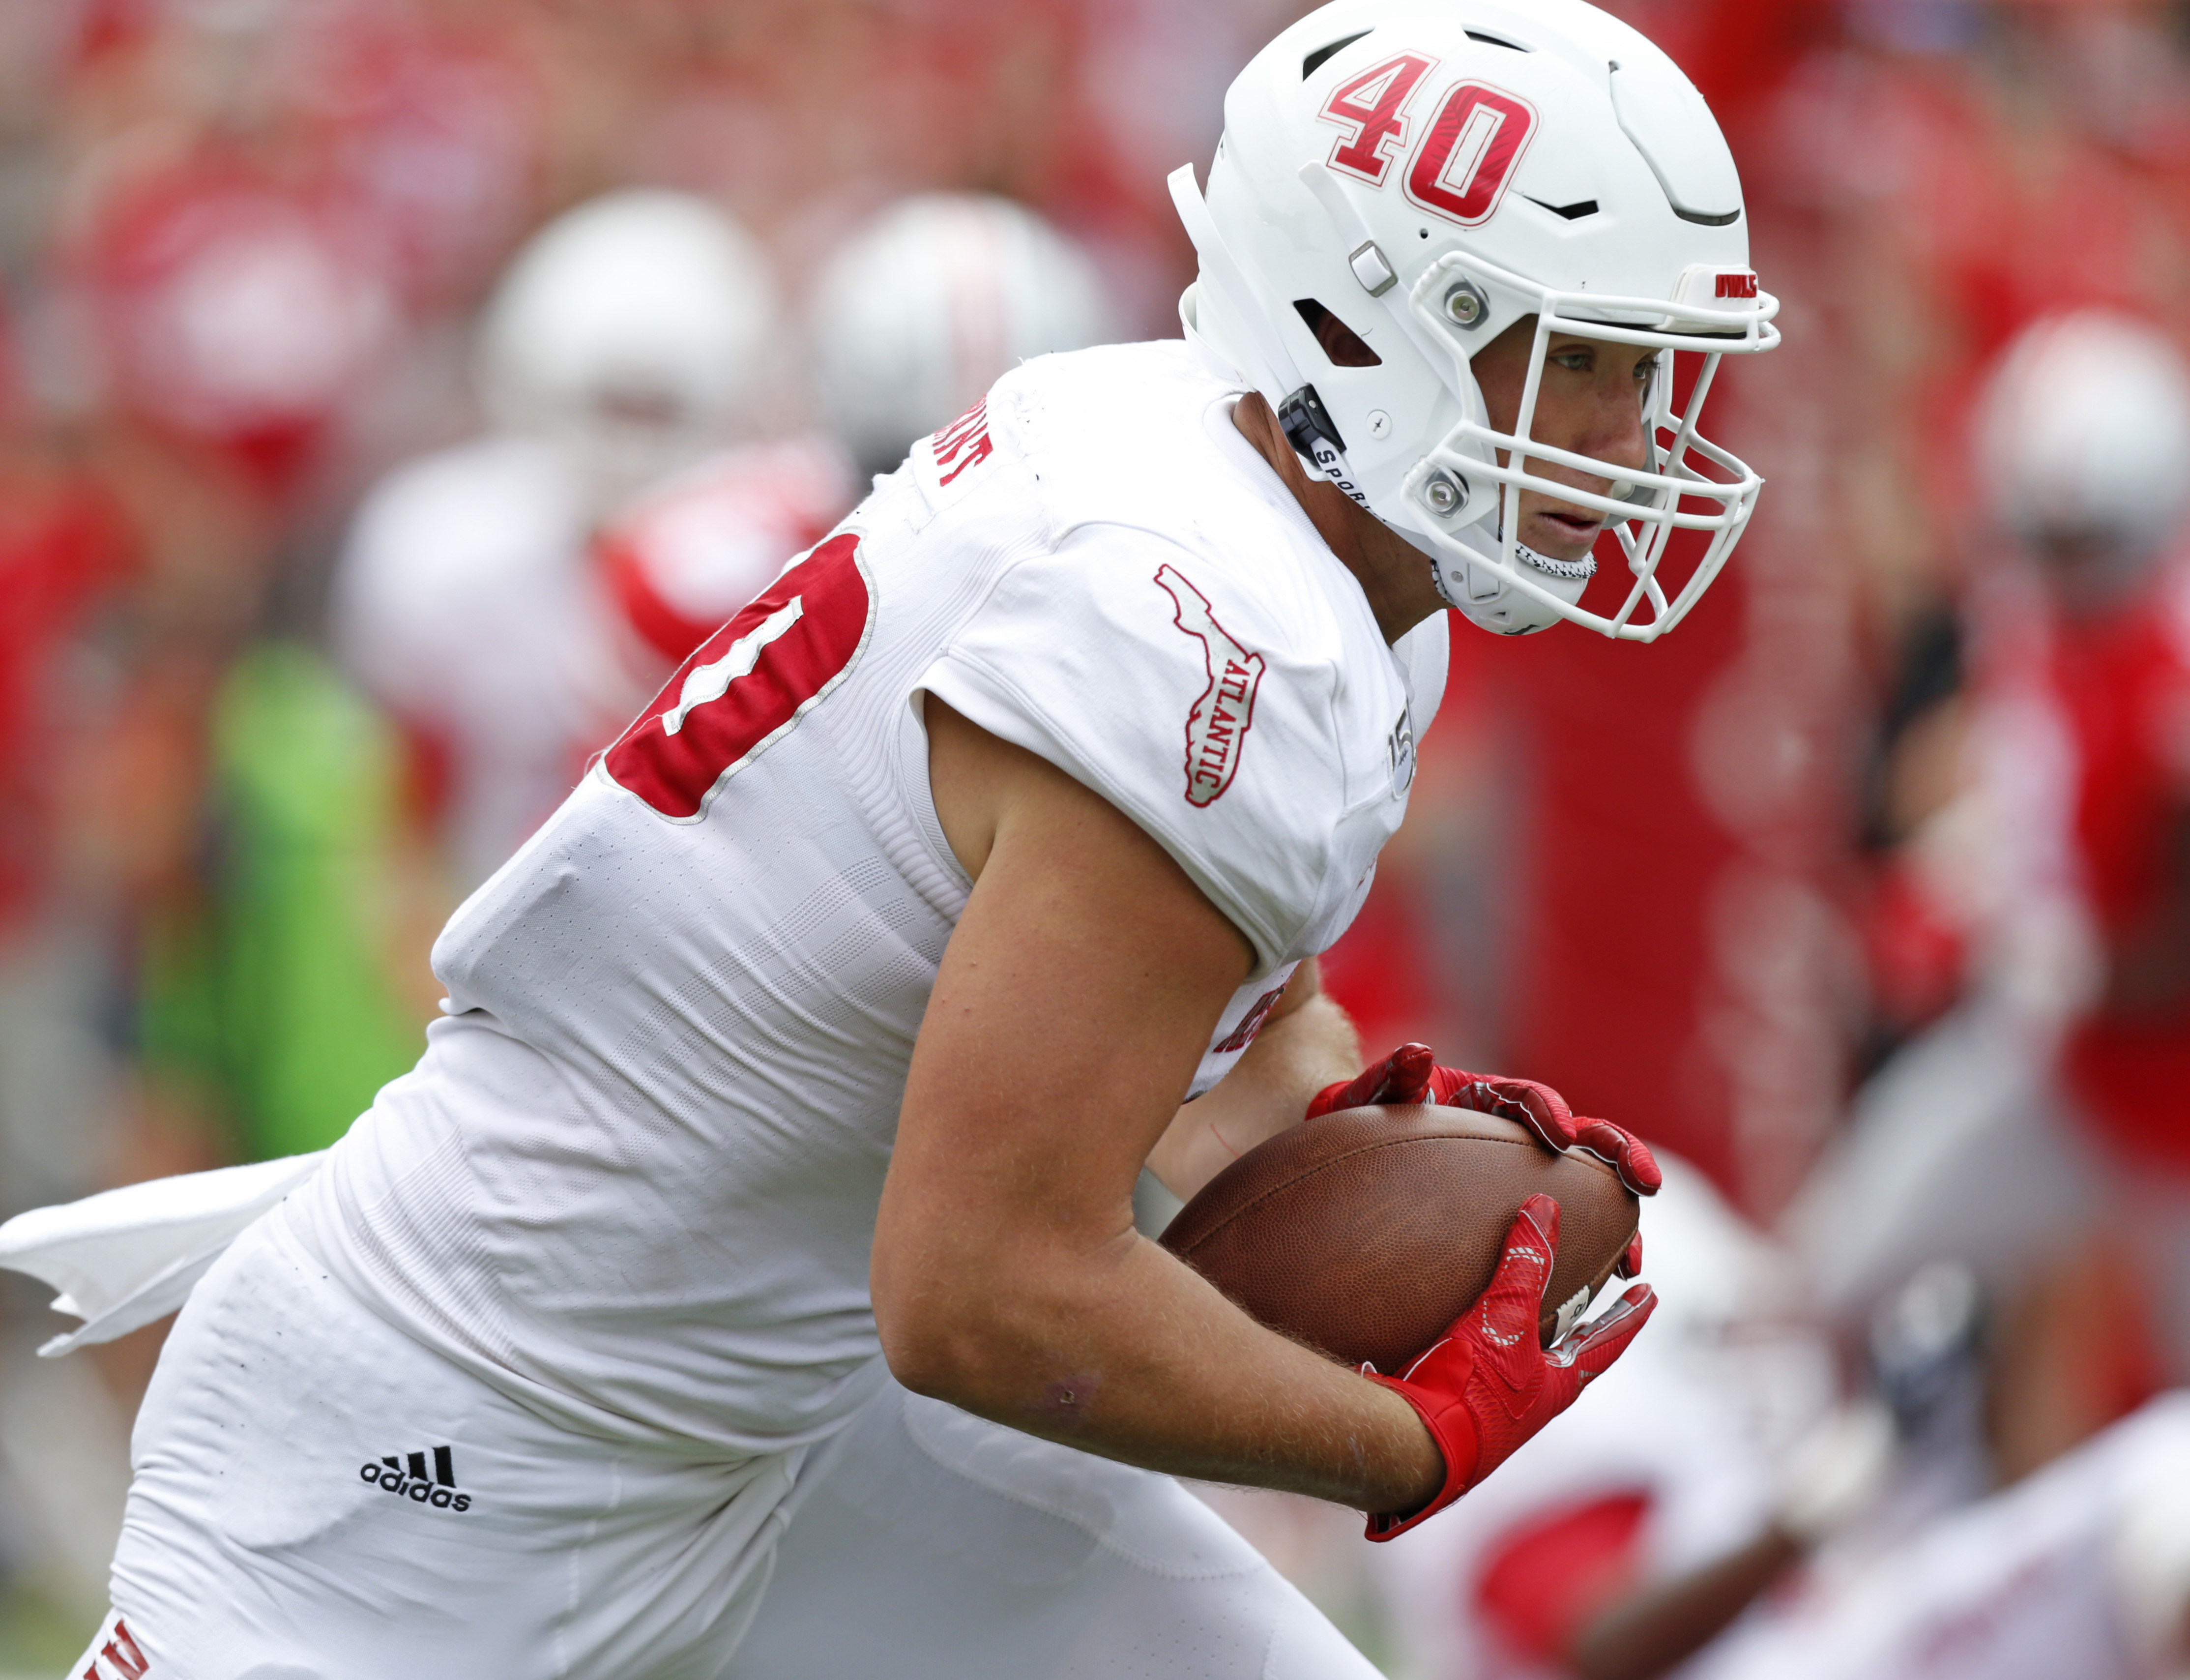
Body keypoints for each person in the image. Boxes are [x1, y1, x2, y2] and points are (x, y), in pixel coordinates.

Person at [22, 3, 1779, 1673]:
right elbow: (983, 1290)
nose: (1635, 431)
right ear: (1366, 323)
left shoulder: (1243, 499)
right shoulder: (1207, 626)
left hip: (778, 1407)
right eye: (1589, 359)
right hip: (462, 1433)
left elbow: (1197, 1041)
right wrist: (1395, 1436)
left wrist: (1363, 1127)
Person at [330, 188, 781, 894]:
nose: (628, 449)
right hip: (476, 930)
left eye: (655, 410)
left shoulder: (776, 560)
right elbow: (395, 826)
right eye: (614, 406)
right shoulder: (441, 550)